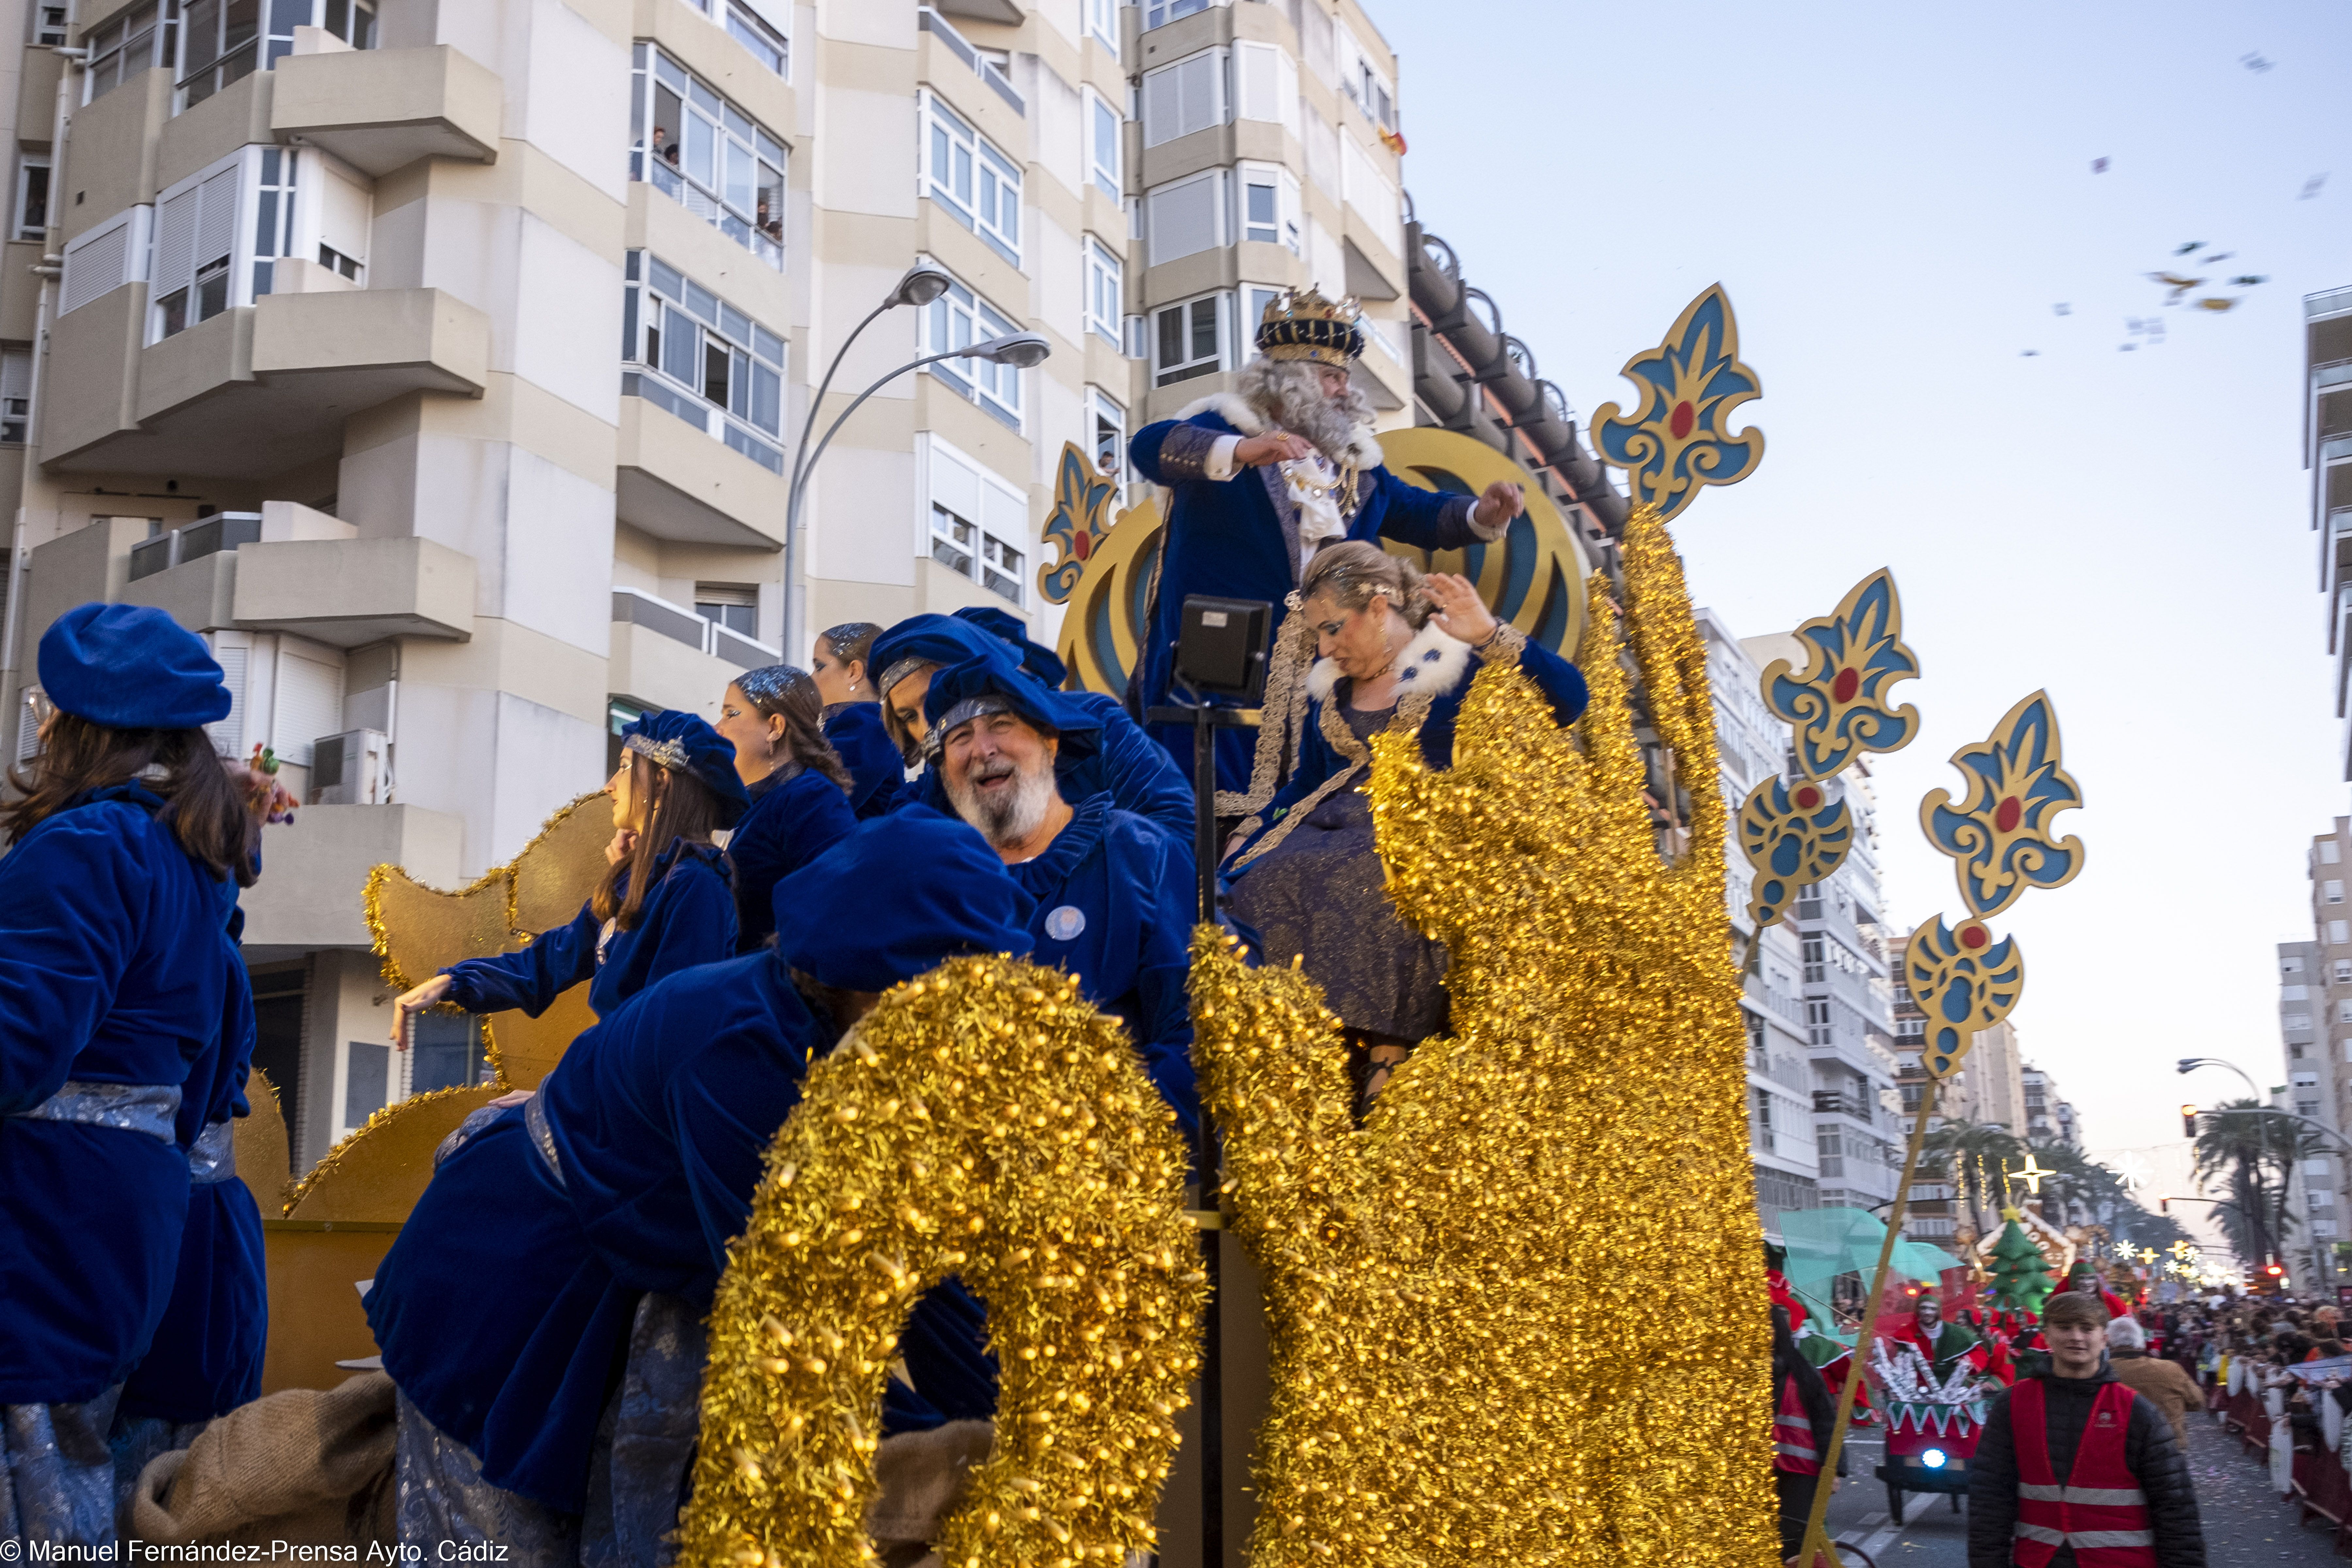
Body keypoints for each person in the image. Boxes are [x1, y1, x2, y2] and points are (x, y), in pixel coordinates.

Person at [366, 811, 1035, 1562]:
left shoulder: (885, 1070)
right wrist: (952, 1459)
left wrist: (1018, 1430)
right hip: (504, 1284)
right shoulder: (738, 1051)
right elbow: (794, 1311)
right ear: (859, 969)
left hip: (632, 1292)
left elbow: (921, 1276)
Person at [0, 604, 255, 1547]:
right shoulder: (185, 856)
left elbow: (17, 1044)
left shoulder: (85, 846)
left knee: (31, 1509)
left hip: (47, 1214)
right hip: (124, 1214)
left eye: (45, 706)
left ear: (78, 727)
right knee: (77, 1488)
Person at [1128, 286, 1524, 815]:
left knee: (1305, 807)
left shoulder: (1356, 466)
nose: (1344, 390)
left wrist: (1484, 515)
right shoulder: (1223, 429)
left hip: (1324, 662)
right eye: (1332, 377)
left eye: (1345, 377)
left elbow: (1417, 512)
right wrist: (1245, 451)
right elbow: (1148, 448)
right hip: (1218, 661)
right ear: (1288, 382)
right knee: (1197, 808)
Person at [1221, 543, 1586, 1111]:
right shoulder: (1330, 689)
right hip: (1326, 824)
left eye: (1334, 628)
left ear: (1378, 606)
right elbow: (1304, 784)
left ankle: (1383, 1061)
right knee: (1250, 885)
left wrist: (1489, 634)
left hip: (1423, 829)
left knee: (1369, 882)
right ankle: (1291, 1054)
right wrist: (1251, 833)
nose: (1324, 647)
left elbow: (1569, 701)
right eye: (1317, 634)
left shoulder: (1455, 660)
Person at [922, 641, 1199, 1133]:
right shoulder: (935, 881)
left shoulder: (1140, 852)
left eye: (1002, 726)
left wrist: (1108, 1126)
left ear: (1051, 742)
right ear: (945, 769)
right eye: (960, 737)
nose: (983, 749)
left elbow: (1192, 1028)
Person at [386, 711, 747, 1044]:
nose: (610, 785)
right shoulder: (642, 883)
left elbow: (669, 1033)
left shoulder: (696, 887)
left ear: (662, 780)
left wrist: (560, 1092)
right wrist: (452, 982)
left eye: (624, 767)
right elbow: (548, 963)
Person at [870, 614, 1193, 841]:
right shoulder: (927, 795)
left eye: (931, 700)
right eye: (908, 716)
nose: (927, 724)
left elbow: (1170, 820)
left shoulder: (1098, 721)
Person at [1968, 1290, 2205, 1568]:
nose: (2077, 1337)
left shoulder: (2137, 1411)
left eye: (2087, 1328)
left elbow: (2175, 1508)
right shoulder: (2013, 1404)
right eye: (2065, 1327)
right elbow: (1990, 1500)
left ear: (2104, 1337)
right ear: (2047, 1335)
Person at [713, 665, 858, 952]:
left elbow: (835, 904)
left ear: (775, 727)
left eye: (731, 714)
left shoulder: (811, 798)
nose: (718, 728)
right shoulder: (749, 807)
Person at [810, 621, 904, 819]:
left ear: (854, 672)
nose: (812, 678)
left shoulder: (869, 729)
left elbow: (818, 804)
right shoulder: (855, 725)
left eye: (820, 666)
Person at [1772, 1305, 1836, 1560]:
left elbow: (1825, 1422)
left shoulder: (1803, 1372)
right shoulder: (1739, 1372)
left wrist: (1834, 1469)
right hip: (1755, 1471)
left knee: (1794, 1539)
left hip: (1800, 1471)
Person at [2105, 1316, 2202, 1451]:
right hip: (2169, 1447)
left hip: (2119, 1450)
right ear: (2141, 1342)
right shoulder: (2171, 1369)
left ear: (2109, 1343)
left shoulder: (2100, 1372)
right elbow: (2197, 1402)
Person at [1885, 1289, 1987, 1383]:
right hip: (1921, 1389)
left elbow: (1980, 1353)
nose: (1928, 1313)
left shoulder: (1954, 1332)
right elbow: (1901, 1363)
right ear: (1918, 1311)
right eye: (1923, 1308)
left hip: (1953, 1387)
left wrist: (1968, 1361)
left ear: (1938, 1312)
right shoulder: (1907, 1334)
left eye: (1932, 1309)